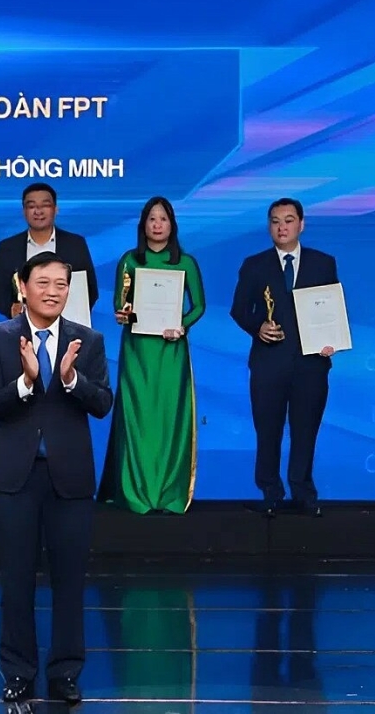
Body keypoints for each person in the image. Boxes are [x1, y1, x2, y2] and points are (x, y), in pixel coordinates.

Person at [0, 251, 113, 704]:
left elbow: (102, 403)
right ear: (23, 286)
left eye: (61, 284)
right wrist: (25, 382)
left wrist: (71, 380)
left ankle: (65, 672)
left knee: (70, 581)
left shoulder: (88, 340)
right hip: (15, 477)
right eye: (43, 283)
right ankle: (18, 671)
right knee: (16, 580)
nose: (53, 292)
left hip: (69, 477)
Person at [230, 197, 338, 518]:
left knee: (306, 431)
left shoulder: (323, 263)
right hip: (269, 362)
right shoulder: (255, 264)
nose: (282, 227)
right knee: (268, 431)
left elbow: (331, 309)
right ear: (269, 226)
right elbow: (239, 309)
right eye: (275, 221)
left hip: (311, 364)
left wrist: (330, 340)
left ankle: (303, 493)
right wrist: (258, 327)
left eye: (289, 220)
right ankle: (271, 493)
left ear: (301, 224)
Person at [98, 196, 206, 515]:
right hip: (138, 350)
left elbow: (199, 306)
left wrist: (181, 326)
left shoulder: (185, 262)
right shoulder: (130, 260)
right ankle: (136, 492)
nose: (157, 225)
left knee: (169, 417)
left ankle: (168, 491)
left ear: (172, 225)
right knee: (138, 417)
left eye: (163, 219)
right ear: (143, 224)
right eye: (152, 219)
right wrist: (123, 314)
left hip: (171, 349)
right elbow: (120, 305)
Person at [0, 182, 98, 319]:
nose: (38, 211)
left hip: (67, 325)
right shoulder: (8, 247)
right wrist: (12, 309)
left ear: (56, 209)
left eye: (45, 205)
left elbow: (90, 289)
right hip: (23, 326)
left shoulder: (75, 244)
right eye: (31, 206)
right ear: (24, 211)